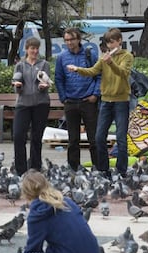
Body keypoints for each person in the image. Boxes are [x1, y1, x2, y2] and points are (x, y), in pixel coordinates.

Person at [6, 170, 99, 253]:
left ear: (26, 193)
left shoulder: (37, 214)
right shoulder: (66, 201)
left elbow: (33, 249)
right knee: (58, 246)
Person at [67, 28, 134, 178]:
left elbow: (123, 73)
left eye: (112, 42)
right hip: (105, 101)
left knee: (121, 138)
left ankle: (122, 170)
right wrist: (78, 69)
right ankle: (104, 169)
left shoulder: (127, 56)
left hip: (121, 101)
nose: (110, 46)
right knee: (99, 137)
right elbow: (92, 71)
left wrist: (110, 62)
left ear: (119, 41)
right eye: (108, 43)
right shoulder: (105, 57)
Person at [55, 27, 101, 171]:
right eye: (66, 40)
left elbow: (99, 75)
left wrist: (95, 94)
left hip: (88, 101)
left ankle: (98, 167)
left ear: (79, 39)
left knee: (94, 138)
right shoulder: (61, 57)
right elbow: (58, 78)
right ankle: (73, 168)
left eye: (71, 39)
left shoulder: (90, 54)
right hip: (70, 101)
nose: (69, 42)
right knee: (73, 139)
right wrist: (63, 98)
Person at [12, 37, 51, 176]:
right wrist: (17, 86)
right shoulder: (20, 65)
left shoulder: (44, 64)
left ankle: (35, 167)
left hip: (41, 103)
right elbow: (15, 83)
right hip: (23, 103)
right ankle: (20, 169)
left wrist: (44, 86)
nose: (34, 51)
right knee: (18, 136)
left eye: (36, 48)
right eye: (32, 48)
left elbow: (47, 82)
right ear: (26, 49)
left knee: (36, 136)